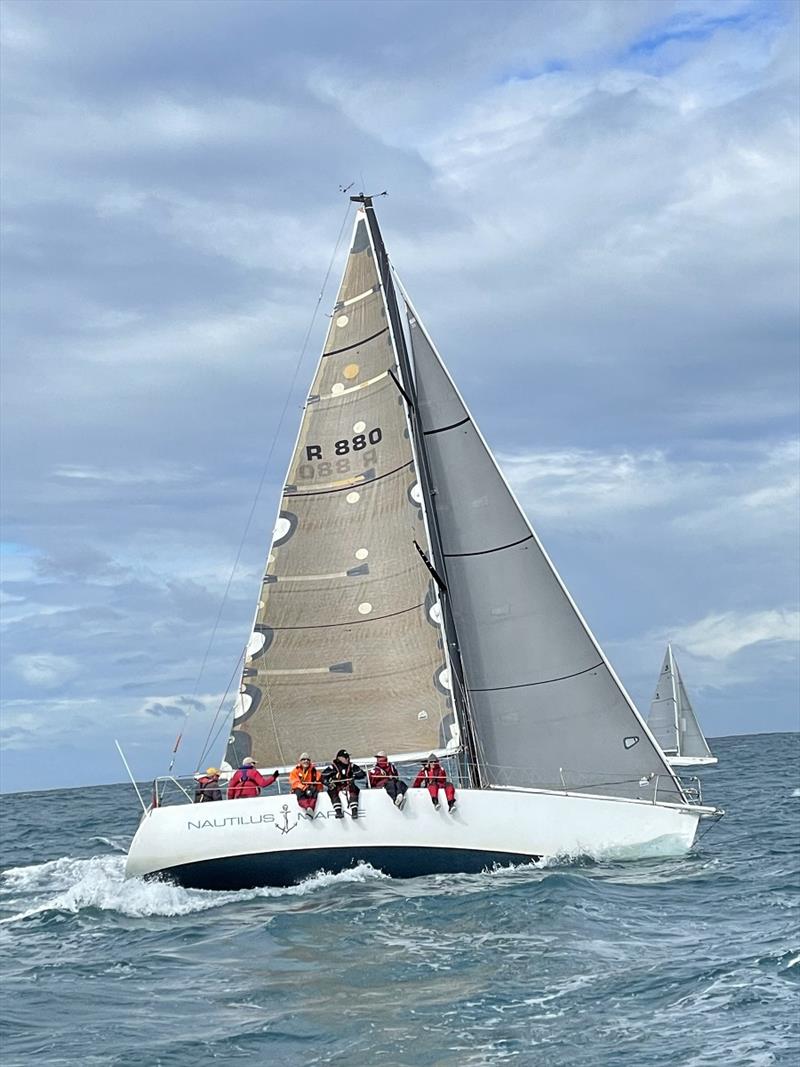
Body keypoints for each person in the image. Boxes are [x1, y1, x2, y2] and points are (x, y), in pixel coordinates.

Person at [321, 749, 366, 818]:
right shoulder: (333, 767)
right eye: (345, 757)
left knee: (354, 788)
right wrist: (329, 783)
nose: (347, 759)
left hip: (349, 785)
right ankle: (338, 811)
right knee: (332, 790)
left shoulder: (352, 766)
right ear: (339, 758)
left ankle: (354, 811)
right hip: (337, 786)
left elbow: (362, 773)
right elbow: (323, 777)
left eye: (348, 757)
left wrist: (354, 777)